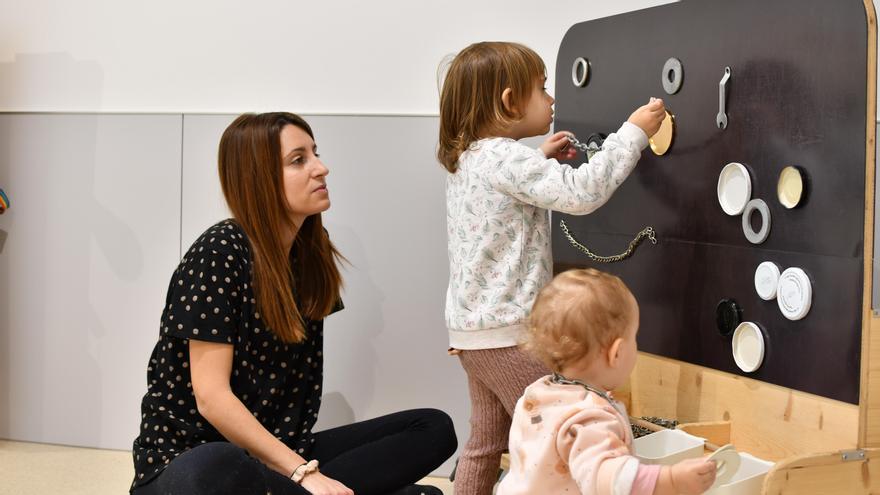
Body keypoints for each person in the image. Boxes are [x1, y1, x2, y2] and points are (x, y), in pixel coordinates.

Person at [130, 112, 456, 495]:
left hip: (277, 459)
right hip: (191, 464)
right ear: (259, 178)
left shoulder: (308, 256)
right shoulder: (219, 252)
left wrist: (299, 468)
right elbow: (211, 399)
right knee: (218, 463)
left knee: (433, 428)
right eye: (298, 160)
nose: (321, 168)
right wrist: (303, 473)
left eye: (315, 153)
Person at [436, 41, 666, 494]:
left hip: (472, 335)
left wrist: (537, 158)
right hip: (511, 335)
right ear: (508, 102)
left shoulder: (471, 160)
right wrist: (633, 134)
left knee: (486, 443)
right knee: (554, 437)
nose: (552, 98)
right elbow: (583, 193)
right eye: (541, 89)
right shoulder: (508, 158)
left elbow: (498, 209)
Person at [497, 268, 717, 494]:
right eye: (635, 337)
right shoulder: (591, 418)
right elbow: (611, 480)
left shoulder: (537, 393)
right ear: (617, 353)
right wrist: (671, 480)